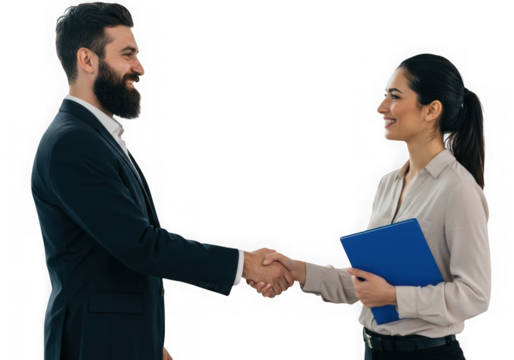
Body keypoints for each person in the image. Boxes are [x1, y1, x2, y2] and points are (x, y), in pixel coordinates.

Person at [34, 3, 294, 360]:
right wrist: (243, 264)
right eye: (128, 55)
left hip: (114, 340)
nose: (140, 68)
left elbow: (111, 256)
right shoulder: (72, 143)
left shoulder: (94, 137)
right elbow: (139, 245)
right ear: (87, 60)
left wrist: (142, 337)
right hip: (92, 344)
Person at [247, 55, 490, 359]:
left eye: (395, 96)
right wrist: (297, 270)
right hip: (373, 351)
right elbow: (364, 285)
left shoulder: (458, 189)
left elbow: (476, 296)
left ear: (431, 110)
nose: (381, 107)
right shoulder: (388, 184)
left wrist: (393, 296)